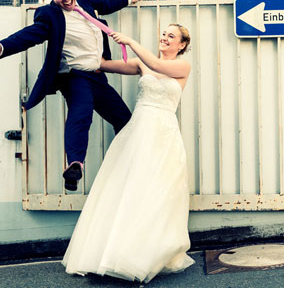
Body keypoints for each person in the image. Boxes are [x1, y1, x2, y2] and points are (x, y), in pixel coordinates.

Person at [0, 0, 143, 191]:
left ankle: (135, 166)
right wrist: (2, 47)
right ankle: (75, 164)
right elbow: (29, 35)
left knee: (124, 119)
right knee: (81, 113)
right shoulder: (49, 15)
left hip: (98, 76)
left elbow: (102, 4)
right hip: (75, 76)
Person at [62, 24, 194, 283]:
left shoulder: (182, 67)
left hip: (164, 135)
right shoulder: (142, 64)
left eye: (171, 36)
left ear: (181, 45)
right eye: (163, 34)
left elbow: (156, 64)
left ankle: (146, 254)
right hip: (138, 133)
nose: (165, 38)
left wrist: (132, 42)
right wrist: (84, 40)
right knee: (126, 188)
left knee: (158, 192)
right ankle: (110, 253)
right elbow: (101, 64)